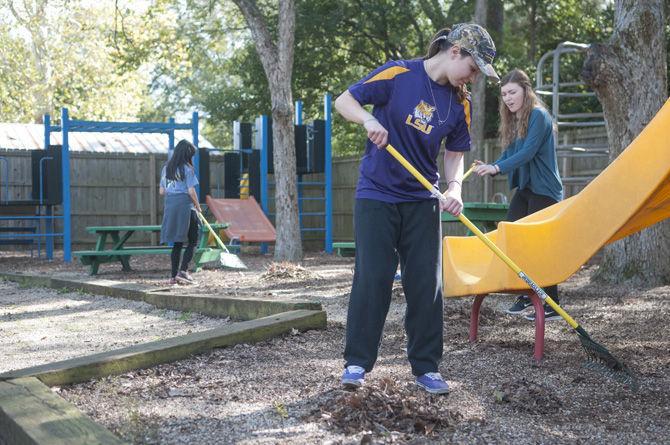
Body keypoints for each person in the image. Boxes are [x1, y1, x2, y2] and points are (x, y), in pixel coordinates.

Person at [334, 23, 499, 394]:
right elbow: (344, 101)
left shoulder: (461, 101)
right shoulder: (398, 74)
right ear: (455, 51)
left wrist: (454, 186)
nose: (473, 78)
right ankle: (357, 364)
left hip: (423, 199)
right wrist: (369, 119)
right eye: (473, 68)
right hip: (376, 193)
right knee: (373, 277)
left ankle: (426, 367)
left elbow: (455, 153)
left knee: (426, 284)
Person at [473, 68, 563, 321]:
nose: (508, 98)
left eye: (512, 92)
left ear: (526, 90)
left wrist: (498, 167)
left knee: (538, 245)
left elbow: (529, 152)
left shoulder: (539, 116)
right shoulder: (516, 120)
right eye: (504, 94)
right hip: (526, 189)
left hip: (544, 189)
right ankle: (527, 293)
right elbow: (511, 152)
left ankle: (551, 303)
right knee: (512, 236)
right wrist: (490, 166)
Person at [160, 139, 202, 286]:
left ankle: (173, 277)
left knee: (177, 242)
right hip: (185, 206)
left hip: (170, 206)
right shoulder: (187, 169)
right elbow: (191, 190)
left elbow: (162, 191)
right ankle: (183, 271)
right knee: (192, 240)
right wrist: (198, 206)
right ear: (187, 154)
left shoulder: (166, 168)